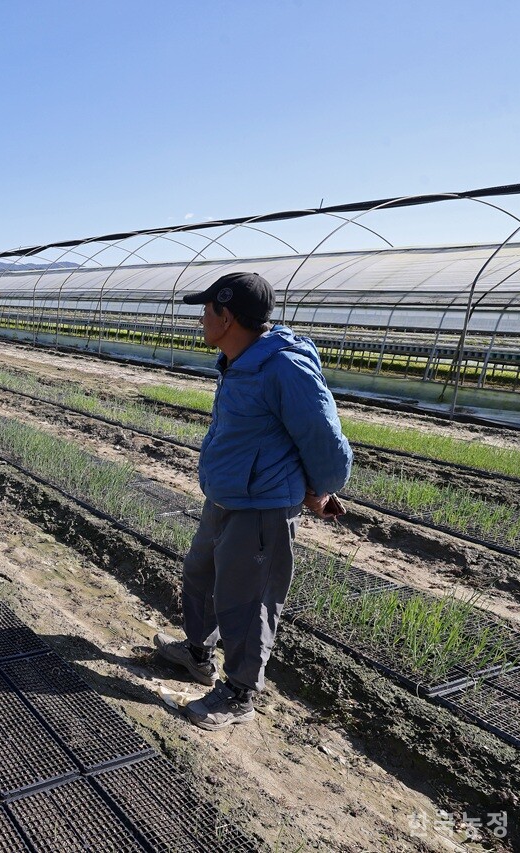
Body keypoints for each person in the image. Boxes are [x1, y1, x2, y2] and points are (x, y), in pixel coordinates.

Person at [154, 271, 352, 730]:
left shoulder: (283, 366)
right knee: (200, 573)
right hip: (226, 495)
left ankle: (239, 692)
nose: (202, 319)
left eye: (207, 311)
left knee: (248, 600)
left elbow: (325, 440)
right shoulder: (238, 359)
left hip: (261, 506)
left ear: (227, 317)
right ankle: (199, 653)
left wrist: (321, 489)